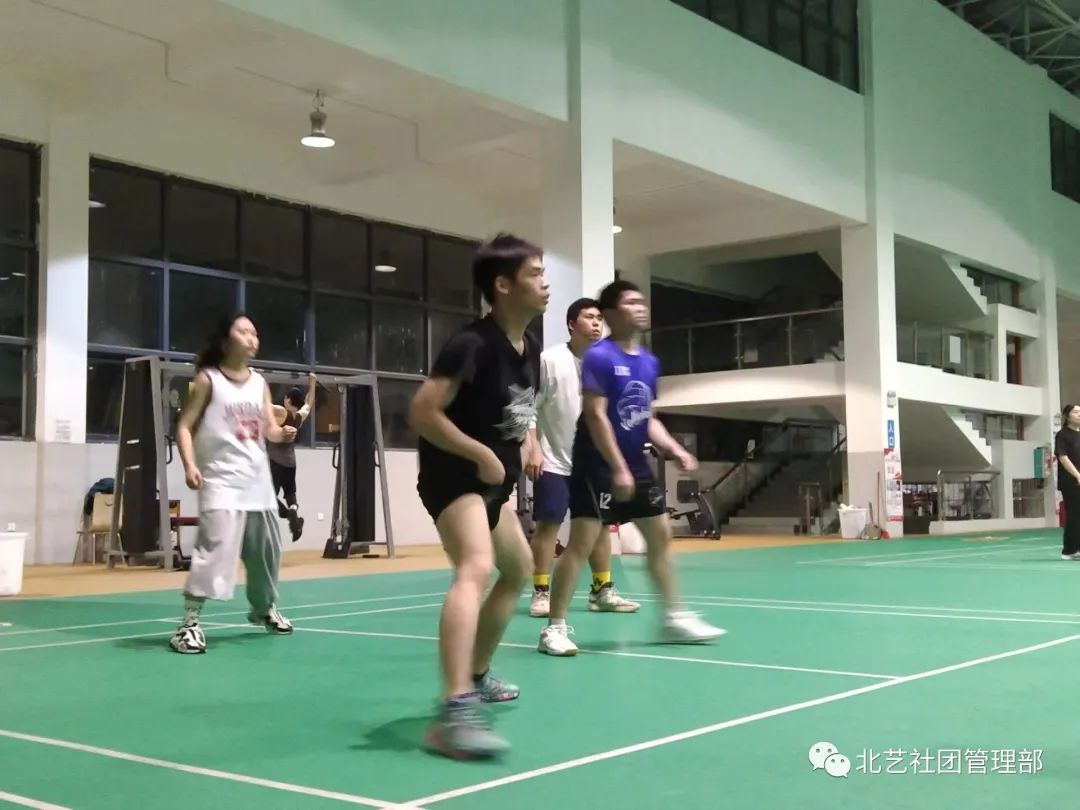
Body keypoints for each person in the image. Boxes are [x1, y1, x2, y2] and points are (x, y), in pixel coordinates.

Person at [408, 233, 547, 759]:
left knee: (519, 570)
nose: (545, 282)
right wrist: (479, 453)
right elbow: (422, 412)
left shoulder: (528, 347)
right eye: (535, 273)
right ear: (503, 285)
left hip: (493, 483)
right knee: (476, 566)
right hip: (455, 477)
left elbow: (519, 406)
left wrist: (529, 440)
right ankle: (455, 708)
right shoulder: (471, 344)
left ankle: (477, 672)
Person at [538, 280, 725, 657]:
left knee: (660, 536)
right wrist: (617, 467)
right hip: (596, 463)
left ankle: (674, 618)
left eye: (642, 302)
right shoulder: (600, 356)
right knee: (581, 544)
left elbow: (646, 416)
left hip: (634, 463)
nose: (641, 307)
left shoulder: (648, 361)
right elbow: (595, 415)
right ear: (611, 314)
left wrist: (674, 448)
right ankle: (554, 628)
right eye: (631, 303)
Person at [168, 313, 296, 655]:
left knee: (266, 556)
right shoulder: (208, 380)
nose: (252, 337)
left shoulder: (259, 382)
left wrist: (280, 433)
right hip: (221, 481)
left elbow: (268, 429)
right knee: (214, 552)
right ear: (226, 341)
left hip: (258, 482)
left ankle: (264, 609)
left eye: (255, 332)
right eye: (244, 331)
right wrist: (189, 465)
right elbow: (185, 426)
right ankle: (188, 625)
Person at [525, 298, 640, 618]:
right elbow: (528, 407)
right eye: (589, 317)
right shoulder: (549, 361)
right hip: (553, 460)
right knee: (548, 525)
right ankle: (541, 592)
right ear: (571, 325)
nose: (596, 323)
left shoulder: (606, 364)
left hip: (592, 464)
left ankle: (602, 590)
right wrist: (533, 448)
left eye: (599, 318)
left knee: (600, 526)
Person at [268, 373, 317, 542]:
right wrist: (312, 382)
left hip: (275, 461)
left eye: (285, 398)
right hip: (290, 463)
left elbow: (263, 405)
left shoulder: (282, 412)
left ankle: (287, 514)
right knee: (290, 495)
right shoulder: (299, 417)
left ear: (288, 400)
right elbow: (309, 403)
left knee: (269, 496)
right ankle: (294, 514)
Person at [1055, 403, 1080, 560]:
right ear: (1067, 416)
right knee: (1075, 514)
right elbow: (1063, 457)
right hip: (1070, 481)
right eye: (1076, 412)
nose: (1079, 414)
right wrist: (1077, 475)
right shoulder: (1062, 435)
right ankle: (1069, 551)